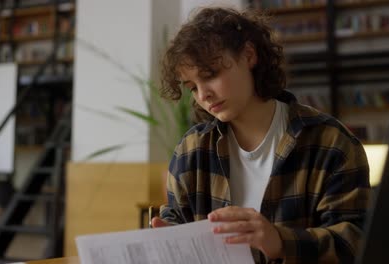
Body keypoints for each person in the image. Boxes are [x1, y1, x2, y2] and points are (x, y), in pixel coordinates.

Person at [152, 6, 371, 264]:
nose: (203, 95)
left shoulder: (331, 142)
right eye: (192, 87)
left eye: (210, 75)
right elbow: (175, 224)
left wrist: (279, 242)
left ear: (248, 55)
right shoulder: (191, 151)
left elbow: (356, 243)